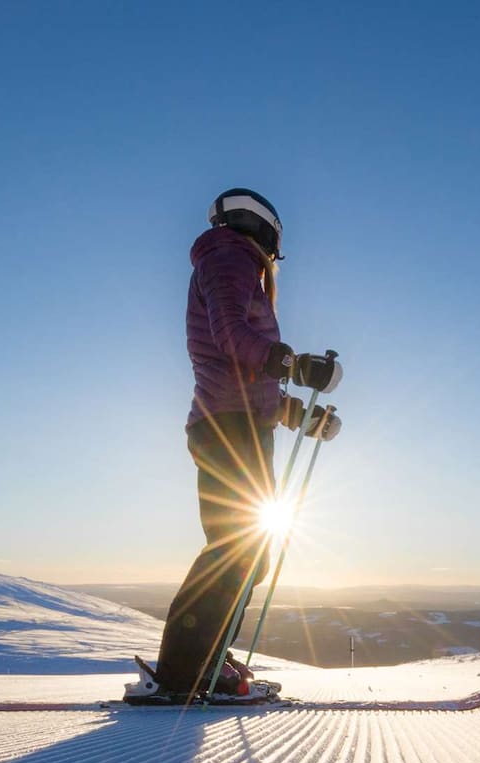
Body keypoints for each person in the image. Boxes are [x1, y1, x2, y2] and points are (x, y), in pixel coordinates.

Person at [131, 188, 343, 703]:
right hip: (230, 428)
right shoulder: (229, 255)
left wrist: (299, 415)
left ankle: (202, 662)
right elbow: (231, 335)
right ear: (267, 231)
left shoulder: (228, 258)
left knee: (247, 553)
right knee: (237, 550)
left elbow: (243, 375)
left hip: (234, 423)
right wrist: (295, 364)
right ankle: (185, 672)